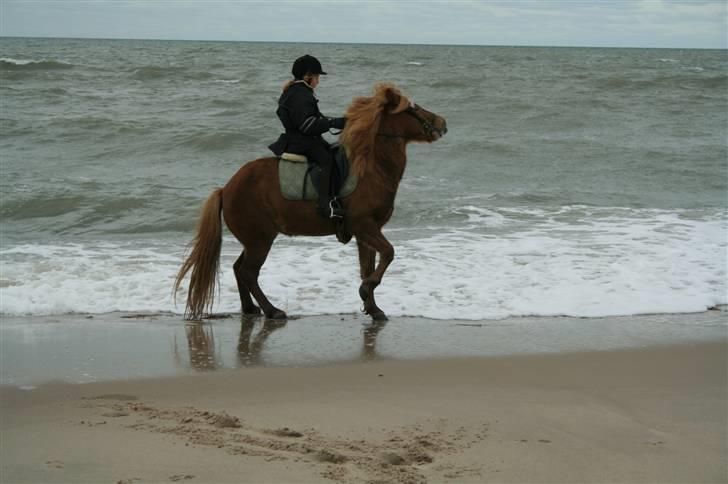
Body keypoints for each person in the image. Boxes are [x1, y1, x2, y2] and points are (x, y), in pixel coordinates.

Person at [269, 55, 347, 219]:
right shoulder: (300, 94)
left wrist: (337, 122)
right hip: (301, 141)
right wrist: (333, 122)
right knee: (327, 160)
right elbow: (307, 125)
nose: (318, 81)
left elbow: (311, 120)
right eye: (317, 77)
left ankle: (334, 198)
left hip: (301, 139)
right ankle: (324, 206)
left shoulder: (296, 91)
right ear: (308, 76)